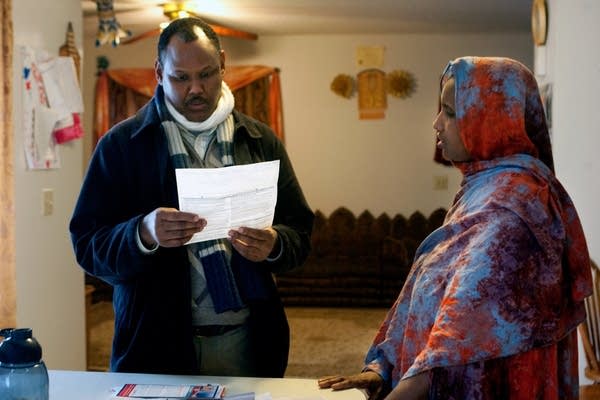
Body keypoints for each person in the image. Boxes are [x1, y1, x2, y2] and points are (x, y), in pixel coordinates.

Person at [318, 56, 592, 399]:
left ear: (491, 118)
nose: (436, 123)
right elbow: (436, 290)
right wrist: (383, 367)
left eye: (449, 111)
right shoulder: (484, 186)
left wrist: (406, 387)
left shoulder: (515, 207)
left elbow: (460, 329)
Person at [69, 17, 314, 378]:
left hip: (247, 340)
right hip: (153, 344)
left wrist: (275, 244)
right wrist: (143, 233)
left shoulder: (260, 140)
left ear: (224, 64)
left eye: (207, 74)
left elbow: (301, 233)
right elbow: (88, 246)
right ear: (158, 71)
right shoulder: (121, 146)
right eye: (181, 78)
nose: (196, 89)